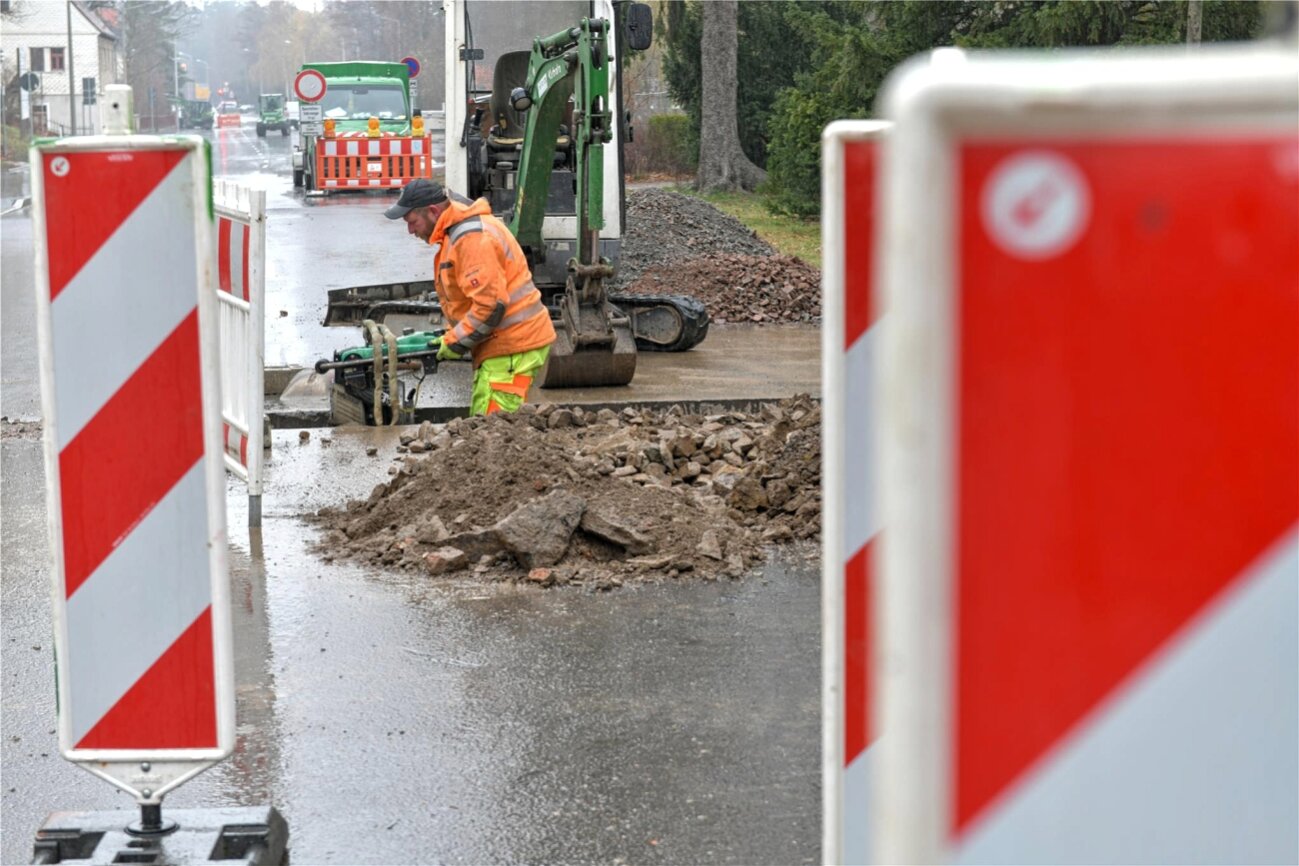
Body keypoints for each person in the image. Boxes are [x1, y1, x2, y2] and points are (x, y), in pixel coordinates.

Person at [385, 179, 556, 416]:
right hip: (502, 344)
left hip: (512, 346)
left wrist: (454, 342)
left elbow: (490, 306)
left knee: (495, 430)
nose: (410, 230)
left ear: (433, 211)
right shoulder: (457, 232)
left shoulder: (471, 239)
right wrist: (449, 333)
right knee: (483, 422)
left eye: (413, 222)